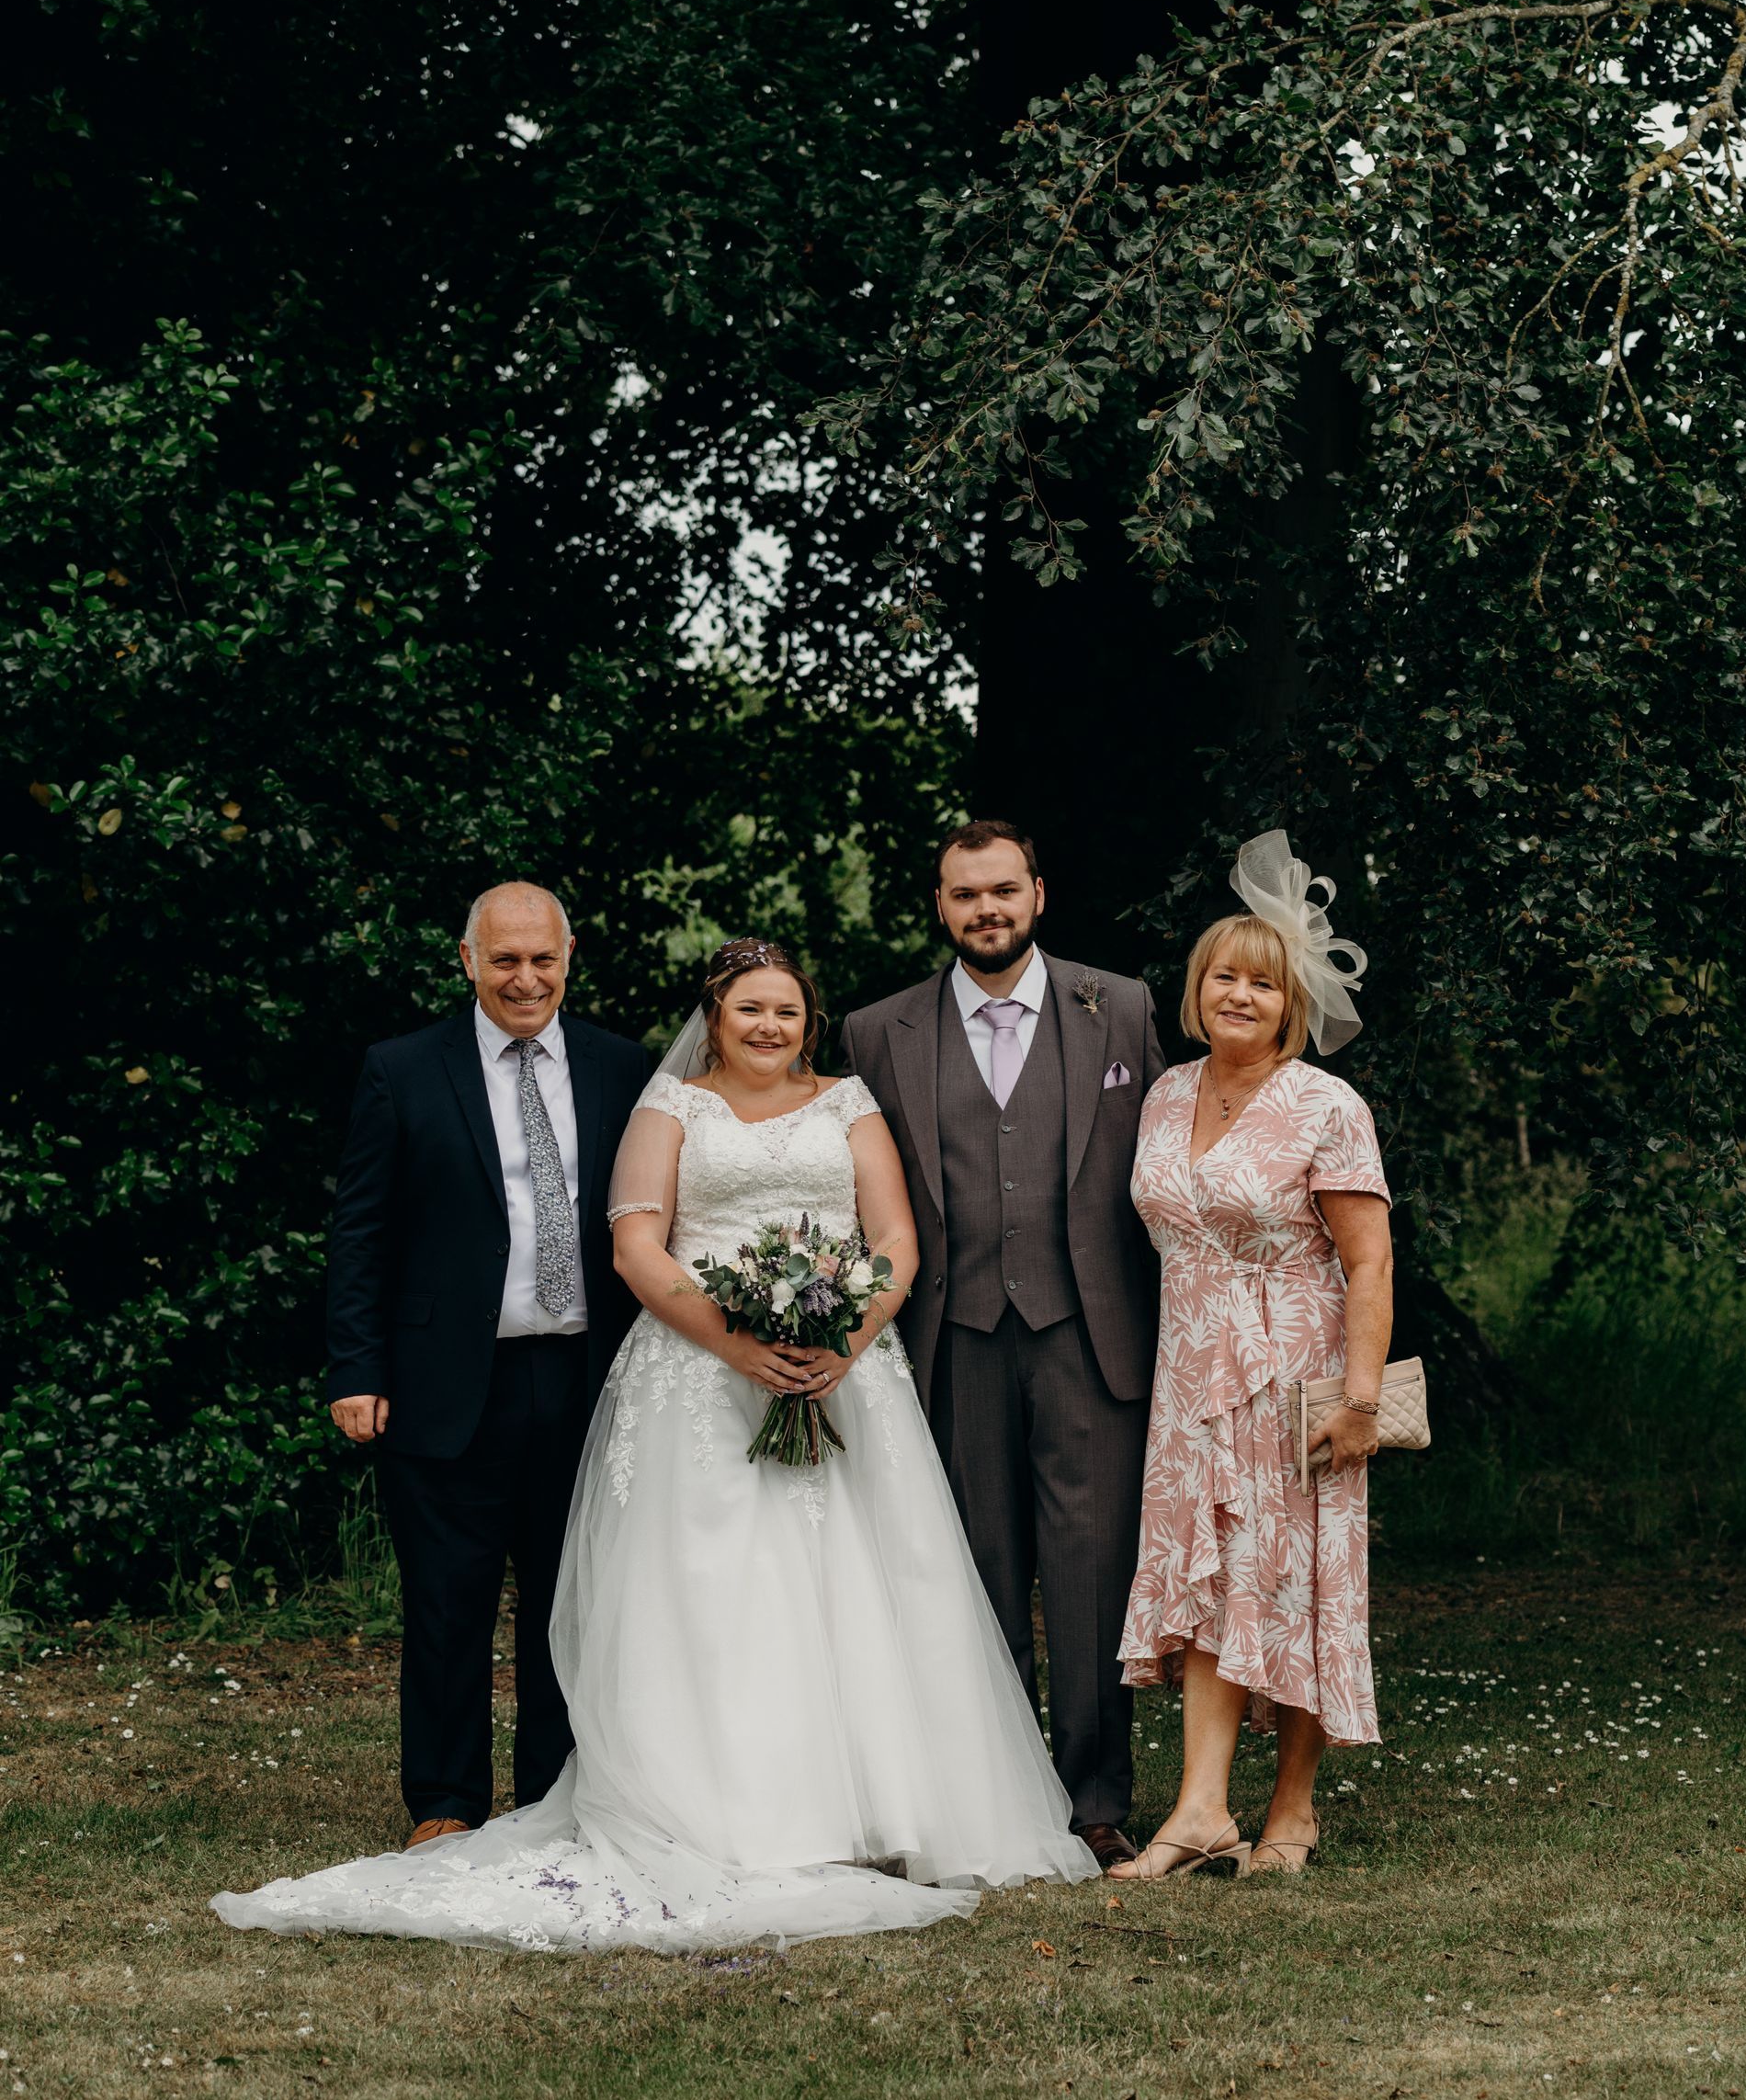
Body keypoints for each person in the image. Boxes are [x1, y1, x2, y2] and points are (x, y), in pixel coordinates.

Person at [213, 939, 1094, 1952]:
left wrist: (841, 1344)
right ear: (715, 1016)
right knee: (710, 1587)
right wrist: (740, 1345)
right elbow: (636, 1246)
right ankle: (705, 1808)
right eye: (750, 1008)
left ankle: (876, 1809)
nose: (769, 1026)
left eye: (787, 1011)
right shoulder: (669, 1103)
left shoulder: (849, 1104)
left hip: (842, 1376)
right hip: (697, 1379)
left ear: (811, 1023)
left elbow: (893, 1239)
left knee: (859, 1583)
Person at [842, 821, 1163, 1869]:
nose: (987, 910)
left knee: (1091, 1574)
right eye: (965, 894)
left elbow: (1169, 1163)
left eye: (1003, 890)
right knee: (972, 1575)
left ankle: (1096, 1800)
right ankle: (993, 1800)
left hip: (1089, 1336)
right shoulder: (878, 1032)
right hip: (951, 1338)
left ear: (1038, 893)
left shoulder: (1120, 1007)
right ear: (941, 906)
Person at [321, 880, 650, 1847]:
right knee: (445, 1603)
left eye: (542, 958)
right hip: (445, 1379)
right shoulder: (401, 1069)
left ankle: (552, 1797)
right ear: (468, 961)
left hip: (586, 1377)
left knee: (569, 1599)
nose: (525, 978)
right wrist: (355, 1368)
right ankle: (446, 1799)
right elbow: (361, 1233)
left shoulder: (621, 1066)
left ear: (569, 956)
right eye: (504, 959)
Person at [1112, 829, 1393, 1881]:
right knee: (1211, 1579)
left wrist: (1358, 1400)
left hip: (1293, 1374)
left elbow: (1370, 1261)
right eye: (1223, 977)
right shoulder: (1165, 1094)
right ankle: (1199, 1813)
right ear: (1198, 990)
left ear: (1292, 1004)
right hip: (1190, 1379)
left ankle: (1293, 1811)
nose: (1240, 996)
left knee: (1291, 1581)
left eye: (1263, 984)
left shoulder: (1327, 1105)